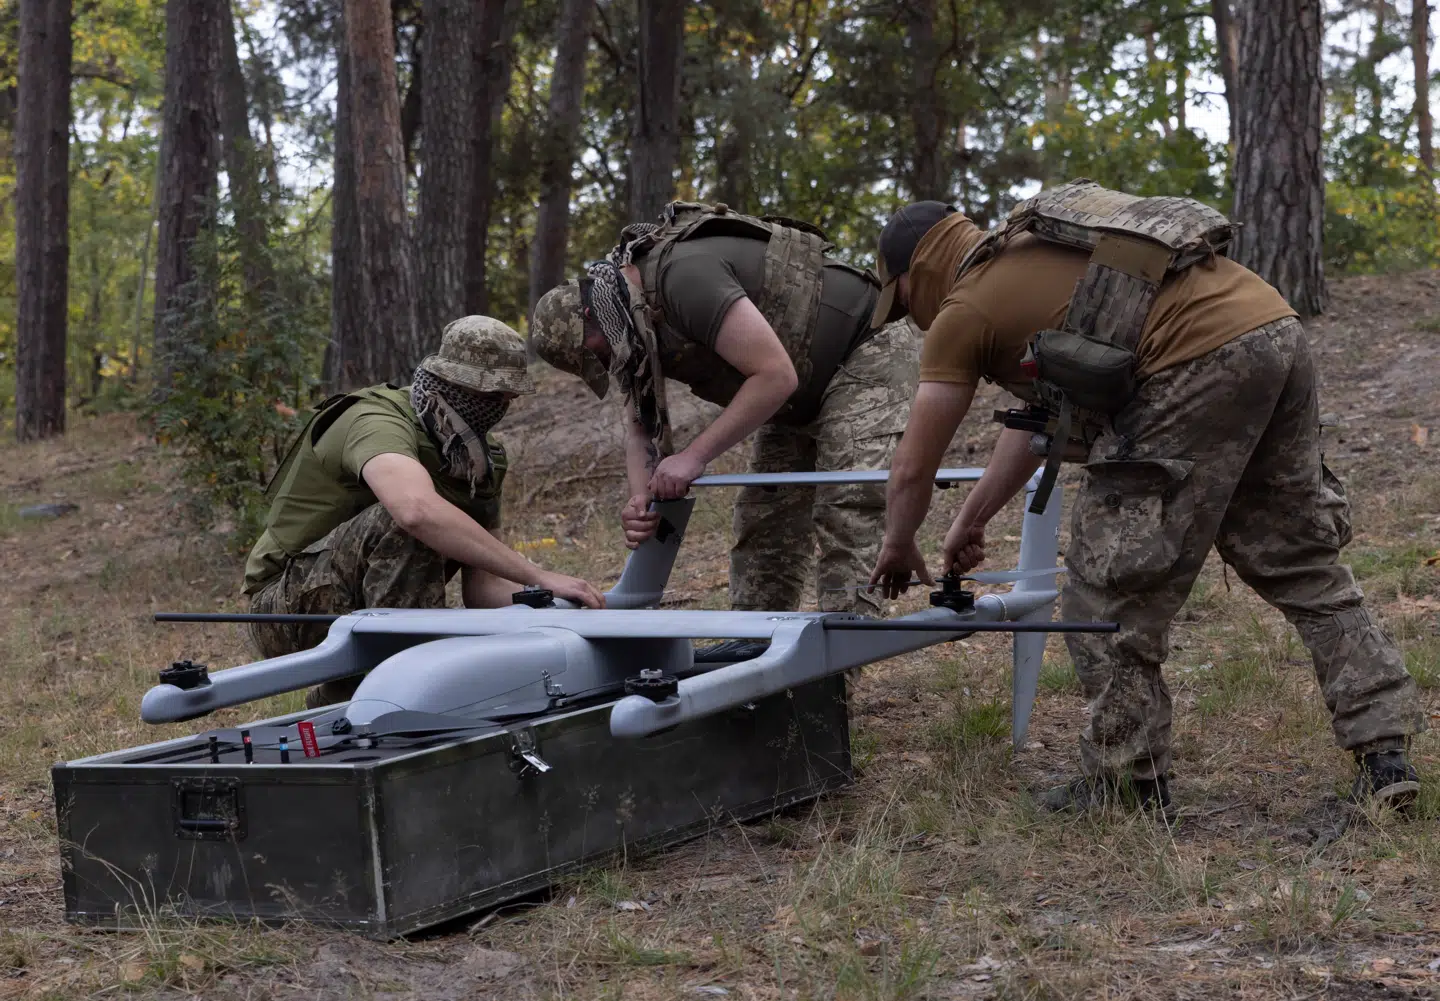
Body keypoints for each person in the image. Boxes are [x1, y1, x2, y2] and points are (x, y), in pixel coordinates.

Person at [866, 184, 1425, 812]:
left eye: (901, 299)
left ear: (919, 272)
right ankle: (1384, 755)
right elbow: (1038, 426)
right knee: (1296, 558)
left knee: (1107, 593)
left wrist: (896, 541)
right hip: (1271, 327)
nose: (908, 314)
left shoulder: (964, 311)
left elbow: (913, 468)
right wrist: (971, 519)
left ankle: (1126, 781)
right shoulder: (1031, 253)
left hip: (1193, 358)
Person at [530, 201, 919, 618]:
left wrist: (694, 457)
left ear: (594, 314)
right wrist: (642, 500)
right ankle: (759, 658)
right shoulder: (626, 326)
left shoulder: (682, 279)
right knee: (765, 523)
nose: (606, 364)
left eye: (597, 355)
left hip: (863, 348)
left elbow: (774, 377)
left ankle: (842, 666)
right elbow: (641, 429)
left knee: (847, 505)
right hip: (795, 386)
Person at [243, 316, 605, 707]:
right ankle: (385, 691)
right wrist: (536, 573)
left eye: (508, 397)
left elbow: (484, 588)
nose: (501, 406)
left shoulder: (478, 460)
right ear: (452, 383)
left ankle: (369, 690)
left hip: (356, 612)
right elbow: (414, 511)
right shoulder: (375, 420)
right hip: (286, 614)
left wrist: (557, 606)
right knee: (406, 520)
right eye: (491, 394)